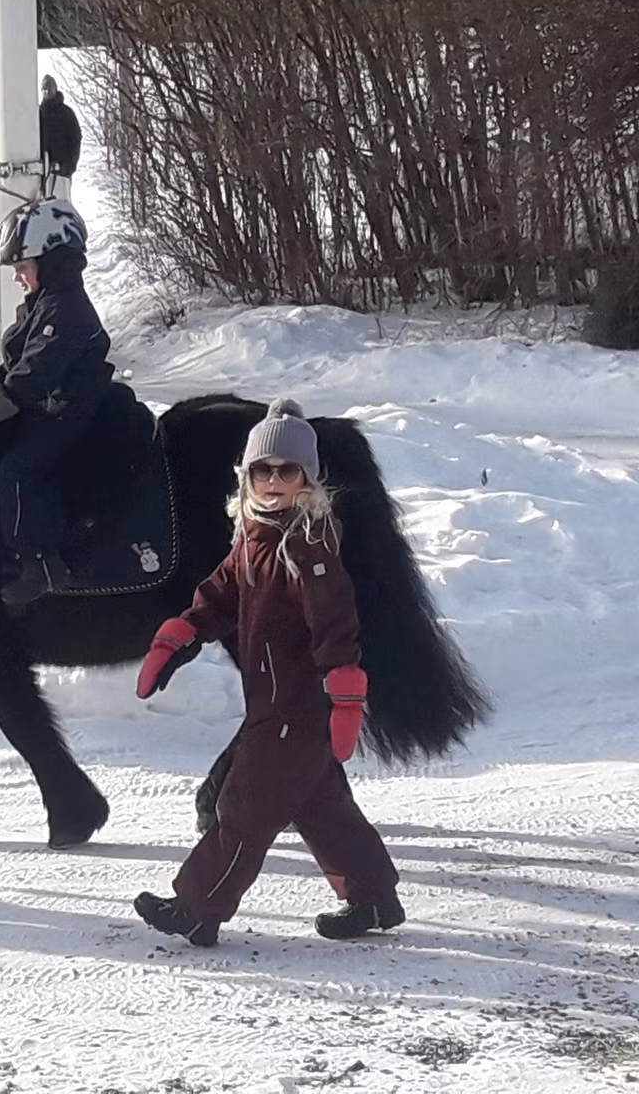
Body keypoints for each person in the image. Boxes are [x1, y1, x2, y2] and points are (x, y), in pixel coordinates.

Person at [129, 399, 404, 946]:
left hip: (295, 710)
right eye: (262, 470)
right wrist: (179, 636)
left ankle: (197, 908)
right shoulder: (255, 538)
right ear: (247, 477)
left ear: (308, 478)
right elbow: (220, 596)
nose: (273, 480)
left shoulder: (308, 547)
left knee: (243, 805)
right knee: (324, 810)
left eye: (287, 470)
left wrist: (346, 694)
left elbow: (335, 625)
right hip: (275, 705)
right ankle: (374, 898)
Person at [0, 197, 112, 608]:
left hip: (67, 413)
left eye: (22, 267)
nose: (18, 277)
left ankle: (41, 561)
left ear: (52, 261)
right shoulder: (44, 304)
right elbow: (17, 359)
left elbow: (34, 377)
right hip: (48, 405)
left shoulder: (67, 310)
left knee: (17, 469)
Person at [38, 75, 82, 201]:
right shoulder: (37, 113)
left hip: (61, 171)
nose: (46, 93)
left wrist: (69, 166)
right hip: (41, 173)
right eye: (44, 90)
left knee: (61, 205)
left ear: (55, 90)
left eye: (49, 89)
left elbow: (75, 140)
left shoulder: (66, 114)